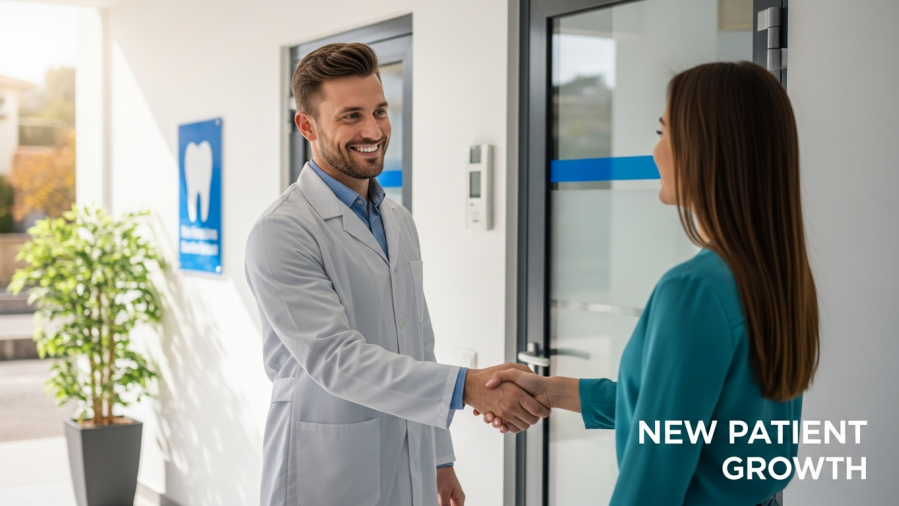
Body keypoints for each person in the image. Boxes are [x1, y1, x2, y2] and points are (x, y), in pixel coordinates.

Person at [476, 61, 819, 506]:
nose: (656, 151)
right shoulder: (778, 273)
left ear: (705, 148)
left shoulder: (694, 291)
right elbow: (683, 413)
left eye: (662, 133)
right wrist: (551, 390)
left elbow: (653, 481)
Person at [244, 43, 550, 506]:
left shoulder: (397, 220)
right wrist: (469, 388)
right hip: (326, 470)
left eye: (380, 111)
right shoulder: (281, 232)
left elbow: (418, 343)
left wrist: (439, 459)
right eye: (350, 116)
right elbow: (336, 358)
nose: (373, 130)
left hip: (410, 462)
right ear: (307, 126)